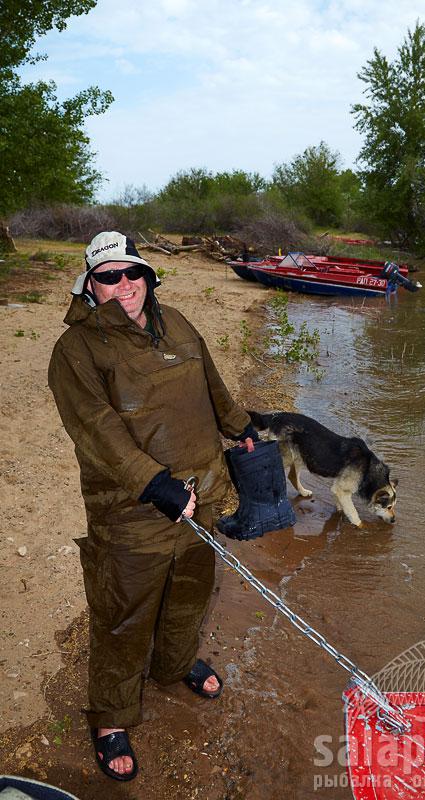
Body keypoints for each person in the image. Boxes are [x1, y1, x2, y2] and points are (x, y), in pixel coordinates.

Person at [48, 231, 257, 781]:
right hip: (132, 509)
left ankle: (174, 664)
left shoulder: (179, 323)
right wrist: (153, 483)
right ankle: (111, 716)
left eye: (131, 273)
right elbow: (97, 430)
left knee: (190, 591)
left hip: (202, 500)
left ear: (148, 277)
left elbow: (212, 386)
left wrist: (242, 429)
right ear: (90, 286)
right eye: (107, 276)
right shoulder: (76, 350)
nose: (123, 286)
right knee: (124, 614)